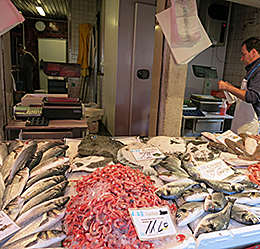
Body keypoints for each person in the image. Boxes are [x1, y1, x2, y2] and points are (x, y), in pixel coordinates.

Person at [217, 37, 260, 135]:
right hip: (241, 123)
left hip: (249, 126)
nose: (241, 58)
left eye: (243, 54)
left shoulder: (259, 70)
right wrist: (231, 89)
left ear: (253, 52)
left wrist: (228, 88)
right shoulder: (253, 69)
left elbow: (252, 96)